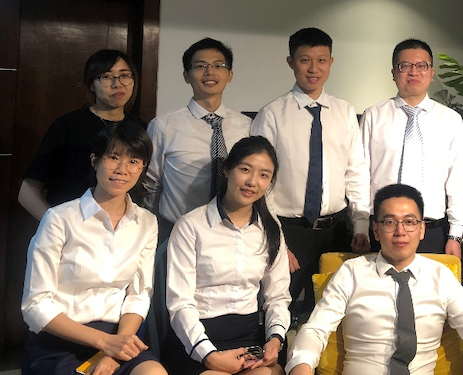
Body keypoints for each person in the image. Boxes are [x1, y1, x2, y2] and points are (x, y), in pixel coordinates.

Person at [286, 183, 463, 375]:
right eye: (389, 222)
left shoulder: (440, 276)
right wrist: (301, 365)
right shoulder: (352, 272)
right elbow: (315, 330)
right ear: (375, 230)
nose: (400, 231)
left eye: (409, 222)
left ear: (422, 229)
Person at [21, 122, 165, 375]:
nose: (122, 170)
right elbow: (35, 305)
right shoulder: (59, 219)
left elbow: (139, 295)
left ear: (142, 168)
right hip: (59, 339)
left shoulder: (146, 222)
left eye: (133, 161)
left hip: (119, 336)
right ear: (95, 160)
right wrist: (105, 343)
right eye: (113, 157)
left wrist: (115, 349)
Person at [250, 27, 371, 320]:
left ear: (331, 62)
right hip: (289, 231)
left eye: (321, 60)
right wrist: (276, 239)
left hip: (337, 231)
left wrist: (361, 226)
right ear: (291, 62)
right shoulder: (272, 114)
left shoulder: (344, 111)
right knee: (279, 309)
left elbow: (355, 171)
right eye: (305, 60)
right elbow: (261, 183)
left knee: (337, 311)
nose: (313, 68)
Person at [163, 136, 290, 375]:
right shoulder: (191, 225)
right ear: (227, 169)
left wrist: (275, 339)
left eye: (264, 175)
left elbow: (278, 297)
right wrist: (209, 355)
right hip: (196, 339)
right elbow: (180, 303)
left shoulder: (271, 230)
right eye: (245, 169)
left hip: (249, 338)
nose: (252, 182)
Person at [360, 39, 463, 257]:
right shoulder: (373, 116)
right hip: (383, 227)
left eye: (421, 66)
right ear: (393, 73)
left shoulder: (450, 120)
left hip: (431, 229)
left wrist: (455, 234)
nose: (413, 72)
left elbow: (458, 180)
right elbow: (360, 174)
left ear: (431, 72)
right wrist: (360, 227)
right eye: (405, 66)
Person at [143, 38, 252, 241]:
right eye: (200, 66)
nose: (210, 72)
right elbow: (151, 185)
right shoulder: (163, 126)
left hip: (232, 233)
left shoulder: (247, 127)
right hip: (176, 232)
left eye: (218, 65)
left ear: (230, 75)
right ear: (186, 76)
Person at [19, 49, 147, 221]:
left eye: (124, 75)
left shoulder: (140, 128)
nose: (117, 84)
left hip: (122, 228)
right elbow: (27, 192)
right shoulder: (68, 125)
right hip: (72, 225)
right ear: (91, 85)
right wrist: (57, 226)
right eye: (106, 76)